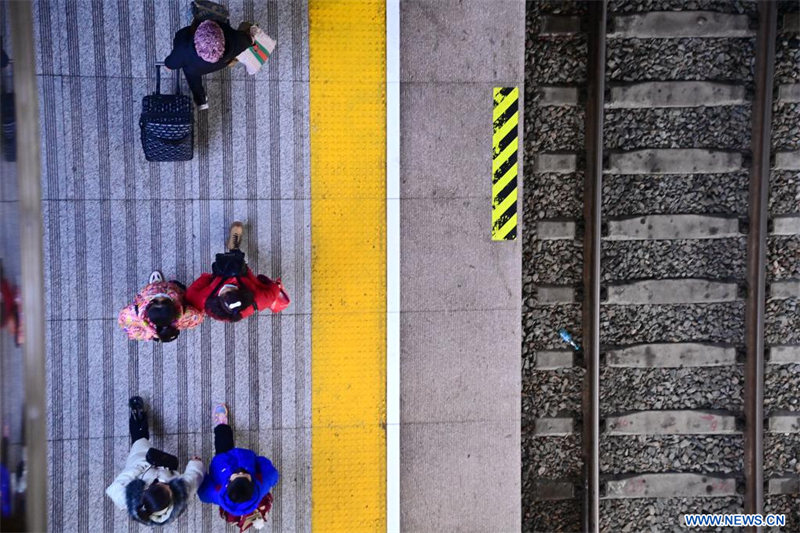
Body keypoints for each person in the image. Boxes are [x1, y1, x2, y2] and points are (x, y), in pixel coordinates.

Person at [106, 397, 204, 526]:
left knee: (139, 440)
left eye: (161, 485)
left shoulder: (128, 500)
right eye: (169, 488)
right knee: (169, 460)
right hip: (167, 468)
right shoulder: (180, 497)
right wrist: (195, 464)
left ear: (146, 490)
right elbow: (192, 479)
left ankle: (137, 416)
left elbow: (112, 490)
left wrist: (139, 468)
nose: (167, 484)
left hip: (142, 463)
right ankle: (139, 417)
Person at [186, 222, 290, 323]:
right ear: (246, 295)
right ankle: (234, 249)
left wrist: (211, 279)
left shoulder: (198, 298)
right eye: (234, 288)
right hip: (241, 273)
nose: (231, 283)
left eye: (226, 290)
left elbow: (204, 278)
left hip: (224, 275)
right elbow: (274, 289)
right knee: (237, 264)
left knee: (233, 264)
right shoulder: (261, 299)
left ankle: (234, 249)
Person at [198, 404, 278, 529]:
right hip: (245, 459)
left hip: (224, 461)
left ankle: (222, 424)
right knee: (223, 444)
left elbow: (203, 492)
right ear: (253, 483)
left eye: (235, 475)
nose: (240, 472)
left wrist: (199, 470)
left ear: (227, 485)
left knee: (223, 442)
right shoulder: (260, 486)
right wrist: (259, 461)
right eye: (245, 475)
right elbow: (272, 475)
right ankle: (222, 423)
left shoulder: (217, 494)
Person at [164, 18, 254, 109]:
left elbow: (170, 65)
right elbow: (249, 40)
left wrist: (168, 65)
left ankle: (201, 100)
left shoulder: (184, 50)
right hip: (219, 63)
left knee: (191, 75)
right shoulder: (235, 41)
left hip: (195, 68)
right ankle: (200, 100)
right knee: (191, 70)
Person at [118, 271, 203, 342]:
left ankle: (156, 283)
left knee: (153, 289)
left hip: (150, 292)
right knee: (177, 286)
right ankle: (164, 284)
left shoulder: (131, 314)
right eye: (165, 299)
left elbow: (125, 323)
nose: (160, 294)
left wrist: (150, 333)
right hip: (173, 289)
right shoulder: (187, 314)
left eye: (155, 300)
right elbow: (198, 317)